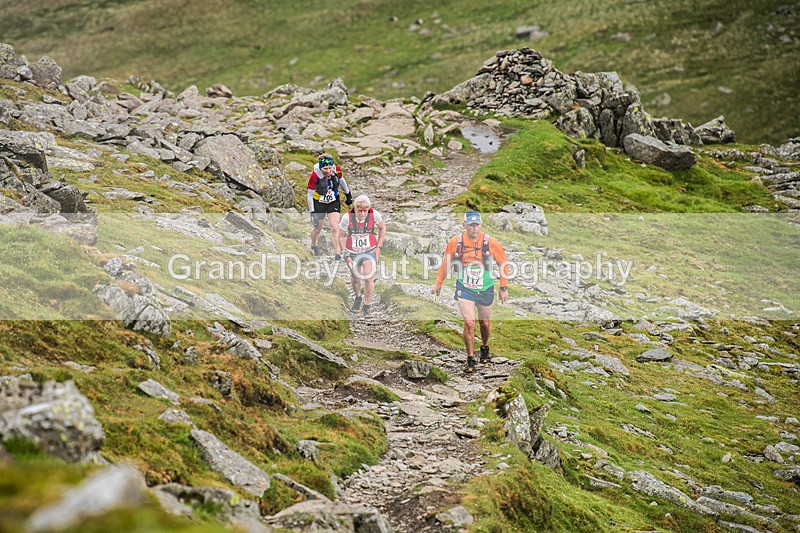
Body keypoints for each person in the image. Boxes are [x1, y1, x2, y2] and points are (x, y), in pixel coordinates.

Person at [432, 211, 509, 373]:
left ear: (480, 225)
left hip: (486, 287)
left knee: (485, 324)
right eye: (471, 225)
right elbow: (446, 264)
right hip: (464, 286)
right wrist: (438, 283)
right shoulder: (455, 242)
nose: (474, 228)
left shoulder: (490, 242)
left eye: (477, 225)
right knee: (469, 322)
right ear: (464, 225)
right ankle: (470, 359)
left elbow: (503, 263)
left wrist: (503, 288)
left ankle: (485, 348)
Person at [339, 195, 386, 318]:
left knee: (368, 277)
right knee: (355, 278)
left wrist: (379, 246)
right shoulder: (346, 218)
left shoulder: (374, 214)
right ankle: (358, 297)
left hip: (369, 250)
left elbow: (382, 228)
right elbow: (340, 236)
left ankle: (367, 305)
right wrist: (345, 252)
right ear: (355, 208)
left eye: (365, 210)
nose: (363, 213)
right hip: (352, 251)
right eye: (360, 210)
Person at [308, 153, 352, 260]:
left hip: (333, 201)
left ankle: (337, 253)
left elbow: (341, 181)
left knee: (334, 227)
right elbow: (309, 195)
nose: (328, 171)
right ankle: (314, 244)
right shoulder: (315, 175)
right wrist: (312, 212)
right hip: (319, 202)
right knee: (318, 228)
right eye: (325, 169)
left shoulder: (336, 170)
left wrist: (348, 194)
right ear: (320, 167)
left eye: (329, 168)